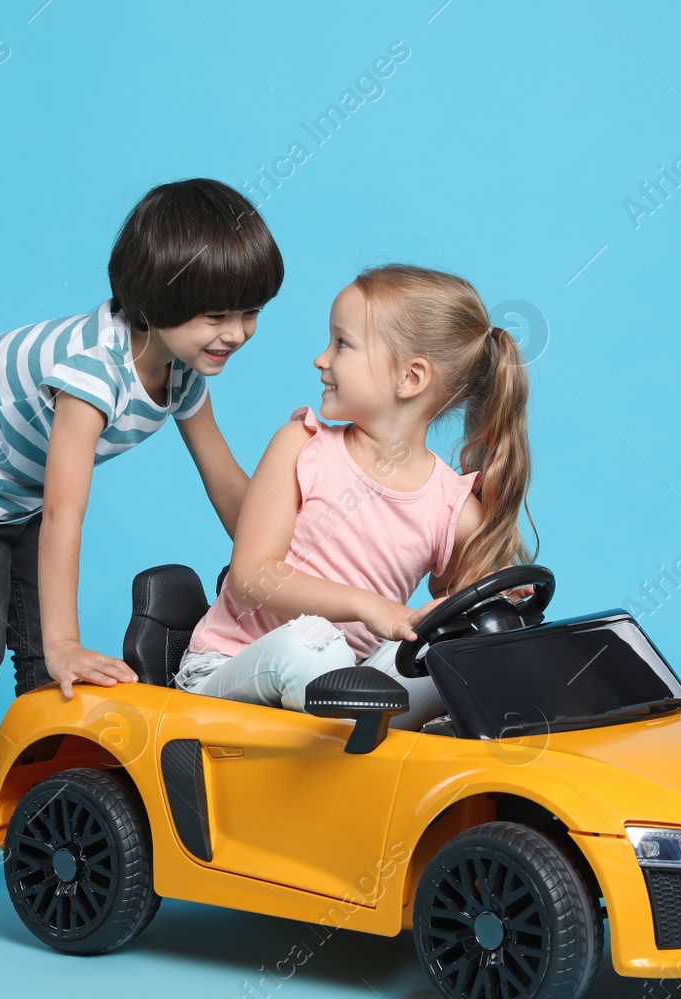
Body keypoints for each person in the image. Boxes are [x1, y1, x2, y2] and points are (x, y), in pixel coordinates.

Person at [0, 179, 283, 891]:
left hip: (15, 491)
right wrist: (64, 639)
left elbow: (227, 482)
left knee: (47, 676)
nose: (235, 333)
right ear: (156, 300)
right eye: (216, 315)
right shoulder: (89, 371)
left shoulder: (183, 370)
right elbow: (65, 513)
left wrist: (270, 567)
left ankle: (48, 806)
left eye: (250, 312)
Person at [175, 264, 534, 725]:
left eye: (341, 343)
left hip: (350, 690)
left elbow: (442, 615)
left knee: (456, 652)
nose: (321, 359)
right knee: (310, 644)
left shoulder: (454, 508)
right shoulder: (302, 446)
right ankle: (361, 733)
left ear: (410, 379)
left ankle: (384, 745)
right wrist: (367, 606)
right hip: (235, 668)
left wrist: (494, 603)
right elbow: (251, 577)